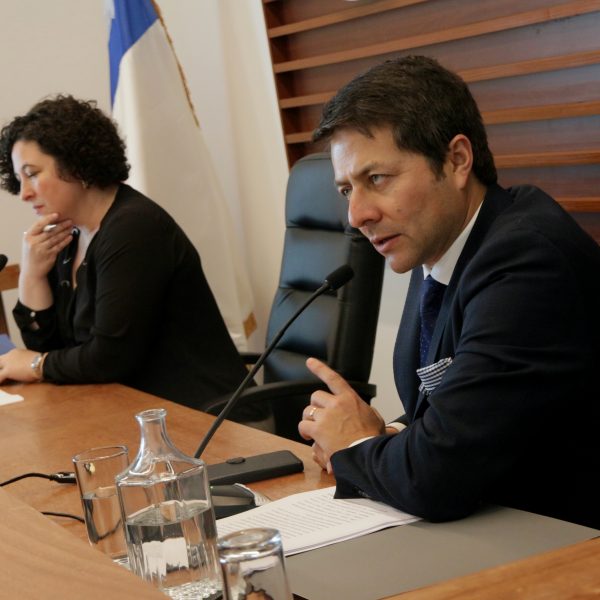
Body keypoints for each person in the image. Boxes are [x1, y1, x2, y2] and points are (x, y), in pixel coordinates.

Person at [298, 56, 600, 529]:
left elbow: (436, 477)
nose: (357, 216)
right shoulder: (439, 243)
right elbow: (457, 409)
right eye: (346, 190)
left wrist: (355, 446)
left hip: (566, 543)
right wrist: (387, 434)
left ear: (457, 160)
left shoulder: (526, 263)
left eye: (377, 179)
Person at [0, 95, 264, 421]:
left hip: (211, 420)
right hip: (134, 412)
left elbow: (107, 359)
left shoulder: (135, 229)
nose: (24, 193)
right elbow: (51, 351)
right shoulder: (69, 235)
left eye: (32, 174)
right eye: (19, 179)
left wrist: (34, 364)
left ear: (75, 163)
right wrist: (32, 276)